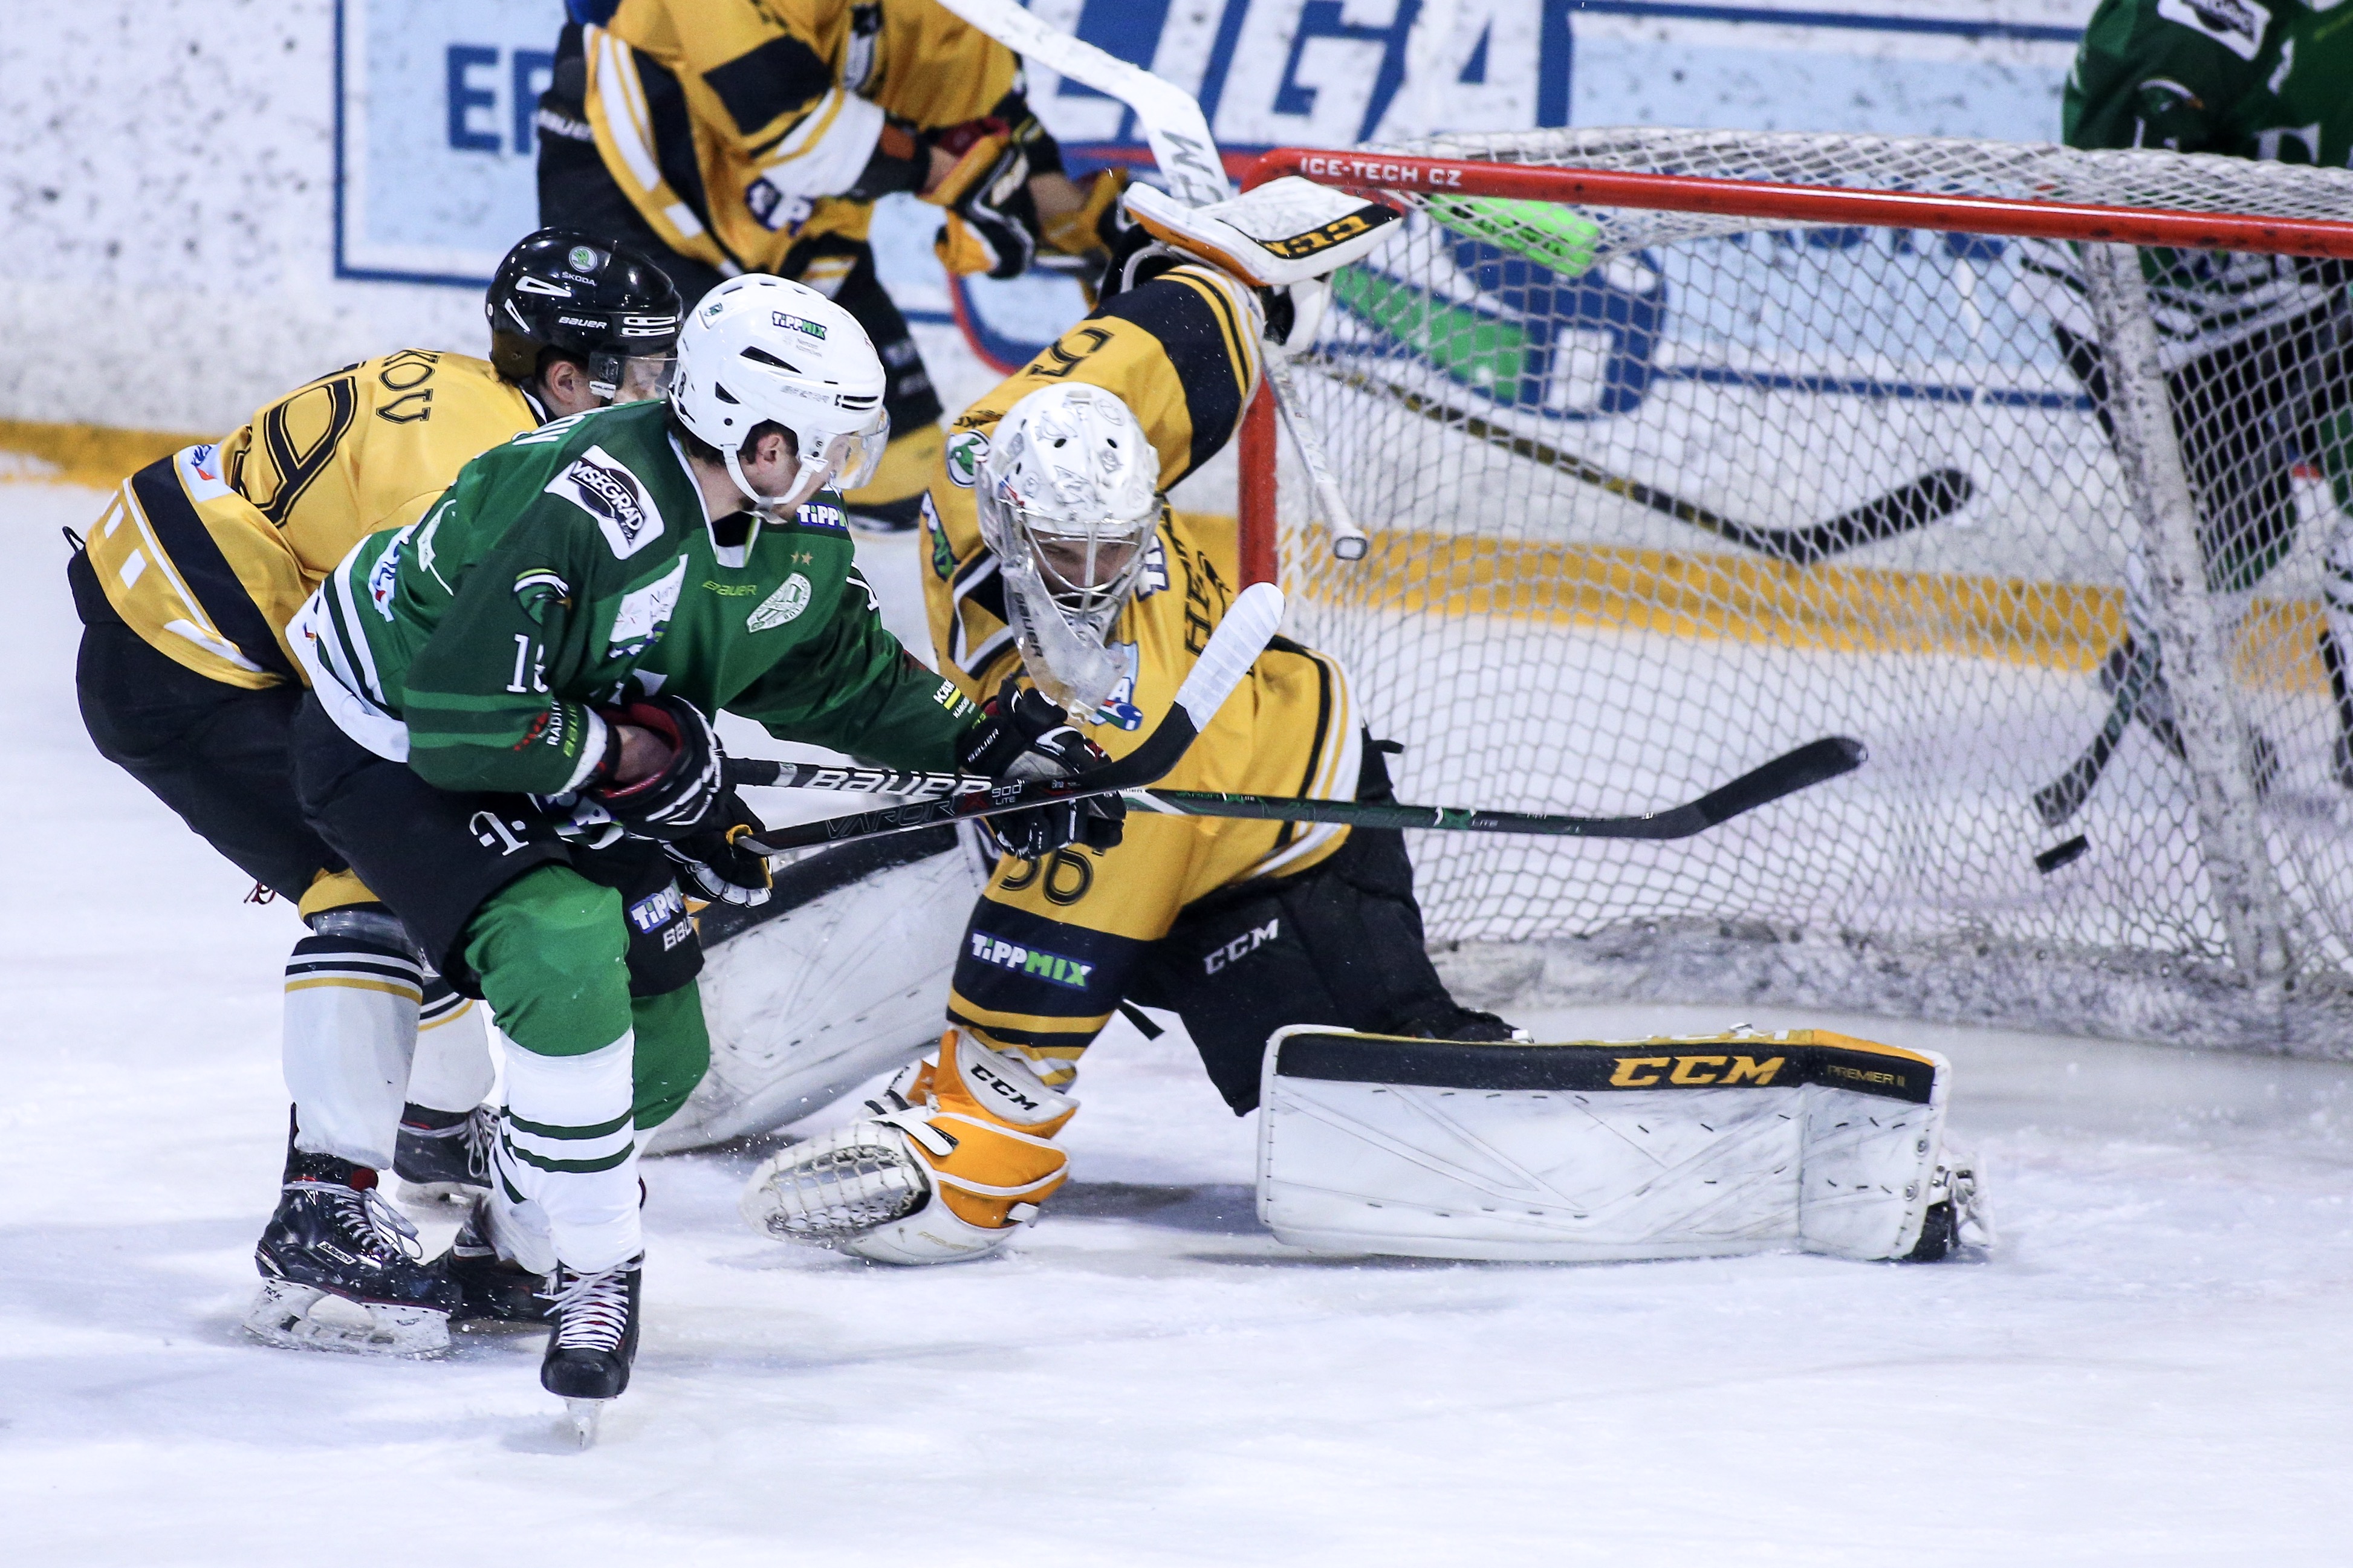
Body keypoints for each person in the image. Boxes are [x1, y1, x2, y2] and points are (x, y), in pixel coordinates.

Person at [284, 271, 1118, 1424]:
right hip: (393, 738)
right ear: (761, 440)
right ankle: (596, 1266)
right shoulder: (582, 507)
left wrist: (989, 745)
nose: (846, 468)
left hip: (561, 727)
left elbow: (834, 670)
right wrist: (634, 758)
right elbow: (465, 717)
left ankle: (517, 1246)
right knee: (565, 943)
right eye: (832, 443)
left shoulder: (788, 524)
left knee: (663, 1048)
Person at [737, 177, 1523, 1266]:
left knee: (1375, 1102)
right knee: (1042, 823)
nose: (1095, 573)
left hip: (1284, 828)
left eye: (1120, 545)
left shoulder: (1113, 744)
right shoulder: (985, 450)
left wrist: (979, 1126)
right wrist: (1221, 286)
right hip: (1135, 810)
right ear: (1006, 516)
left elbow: (1051, 965)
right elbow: (1154, 352)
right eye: (1067, 550)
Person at [67, 230, 682, 1356]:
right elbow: (436, 689)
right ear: (564, 374)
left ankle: (435, 1120)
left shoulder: (481, 408)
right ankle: (324, 1209)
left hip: (198, 632)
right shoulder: (479, 457)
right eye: (639, 370)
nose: (658, 394)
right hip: (187, 653)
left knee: (424, 864)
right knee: (377, 875)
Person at [534, 0, 1129, 534]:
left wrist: (1088, 224)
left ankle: (789, 583)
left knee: (898, 476)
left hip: (796, 225)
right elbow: (791, 127)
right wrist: (953, 176)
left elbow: (983, 112)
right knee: (665, 471)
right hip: (637, 187)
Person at [2042, 0, 2353, 783]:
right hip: (2149, 314)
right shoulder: (2187, 24)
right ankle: (2160, 667)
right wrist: (2288, 242)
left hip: (2295, 286)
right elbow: (2122, 211)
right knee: (2249, 528)